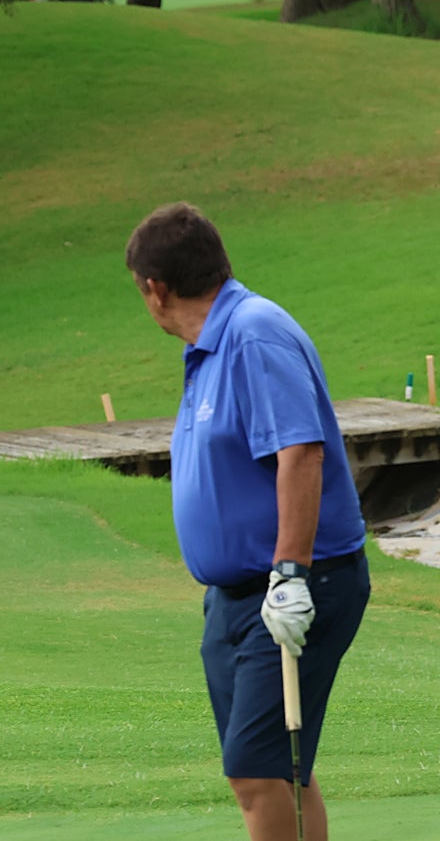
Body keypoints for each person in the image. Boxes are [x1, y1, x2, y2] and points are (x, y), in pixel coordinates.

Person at [125, 203, 369, 841]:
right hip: (232, 600)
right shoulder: (208, 347)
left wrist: (290, 572)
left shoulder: (253, 332)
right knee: (280, 771)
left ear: (155, 289)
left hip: (293, 586)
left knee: (257, 772)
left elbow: (301, 451)